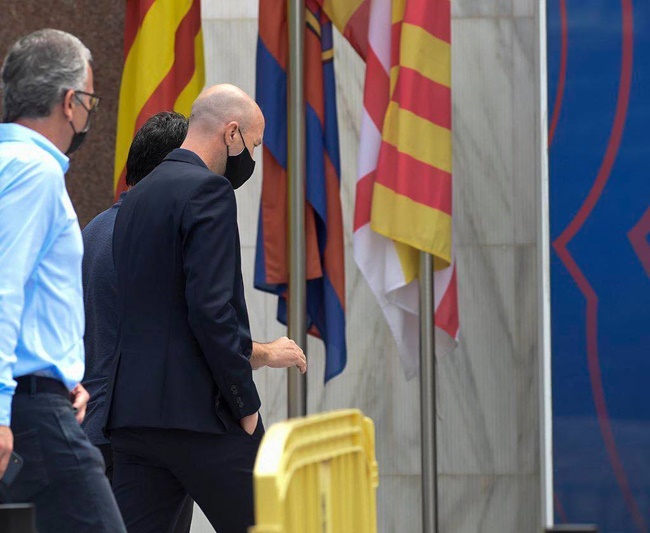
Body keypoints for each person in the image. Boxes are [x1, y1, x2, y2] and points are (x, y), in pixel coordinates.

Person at [82, 110, 305, 532]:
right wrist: (247, 397)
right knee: (278, 521)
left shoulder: (102, 226)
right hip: (182, 417)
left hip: (117, 422)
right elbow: (205, 316)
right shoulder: (202, 195)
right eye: (253, 145)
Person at [0, 29, 125, 532]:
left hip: (37, 399)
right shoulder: (35, 171)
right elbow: (4, 286)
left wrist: (60, 375)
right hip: (31, 414)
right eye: (90, 99)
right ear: (70, 102)